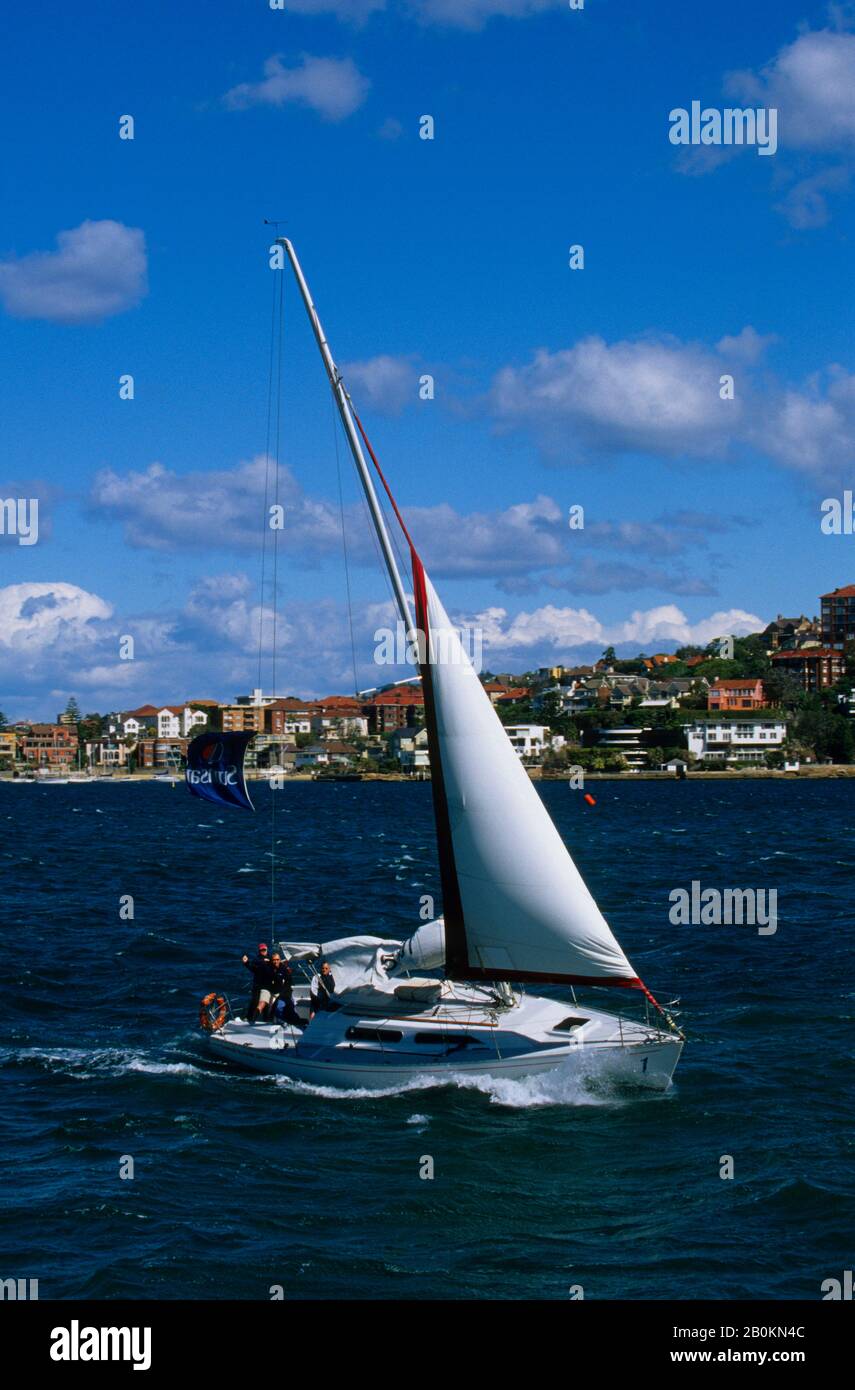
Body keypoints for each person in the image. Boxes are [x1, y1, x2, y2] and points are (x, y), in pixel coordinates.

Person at [269, 952, 304, 1031]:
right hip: (277, 993)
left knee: (280, 1008)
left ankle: (297, 1024)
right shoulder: (270, 968)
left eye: (277, 960)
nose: (275, 961)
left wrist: (283, 993)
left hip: (285, 994)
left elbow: (288, 983)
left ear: (280, 960)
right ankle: (281, 1022)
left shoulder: (284, 970)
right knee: (279, 1010)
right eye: (274, 960)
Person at [242, 944, 272, 1021]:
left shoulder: (271, 958)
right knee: (254, 1002)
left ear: (267, 949)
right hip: (257, 985)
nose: (263, 951)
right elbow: (252, 967)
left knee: (266, 1003)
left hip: (268, 985)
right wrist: (246, 963)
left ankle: (266, 1020)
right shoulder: (257, 959)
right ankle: (249, 1018)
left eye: (264, 950)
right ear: (259, 951)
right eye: (261, 950)